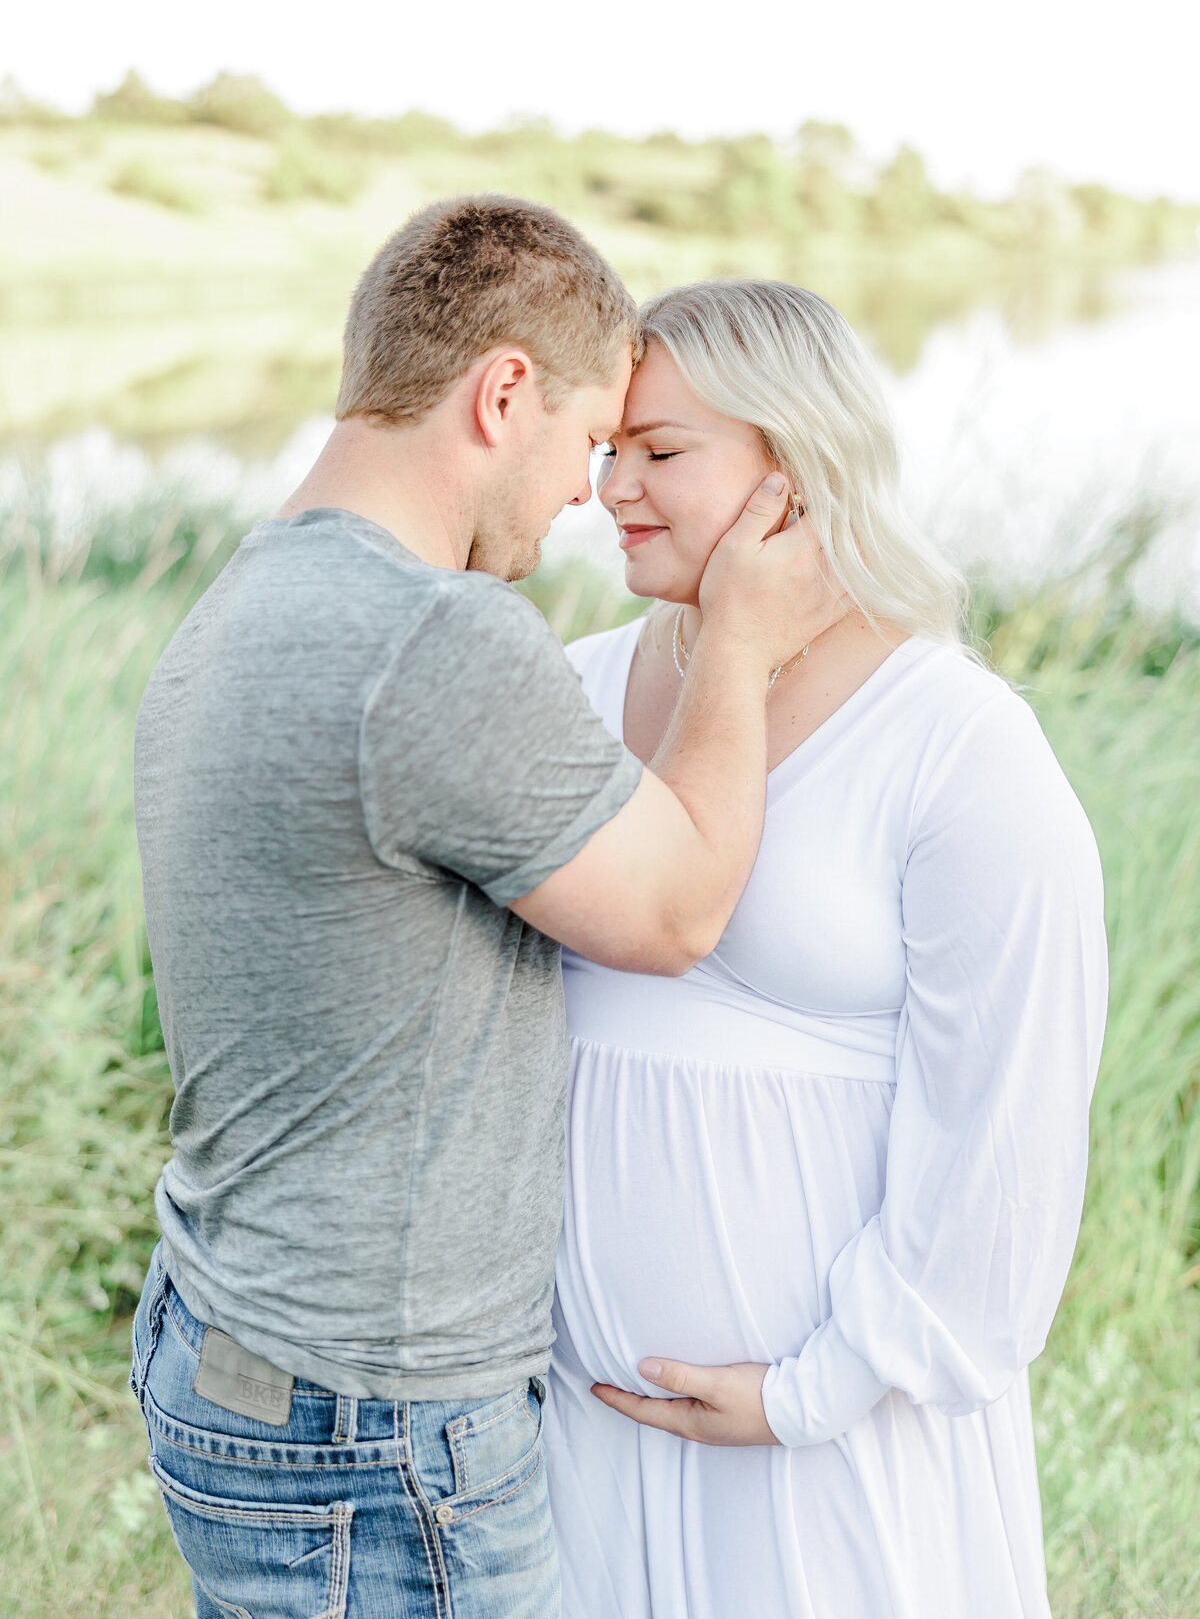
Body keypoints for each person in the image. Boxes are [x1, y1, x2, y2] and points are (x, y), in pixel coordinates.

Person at [128, 198, 838, 1619]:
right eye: (590, 443)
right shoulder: (436, 639)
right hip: (373, 1423)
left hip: (232, 1347)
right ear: (503, 391)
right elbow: (680, 907)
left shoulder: (243, 603)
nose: (592, 492)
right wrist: (745, 643)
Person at [542, 279, 1108, 1619]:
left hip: (841, 1437)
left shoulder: (960, 747)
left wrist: (821, 1391)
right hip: (583, 1415)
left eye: (662, 453)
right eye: (607, 449)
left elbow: (1008, 1129)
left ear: (793, 472)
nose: (613, 487)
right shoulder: (571, 689)